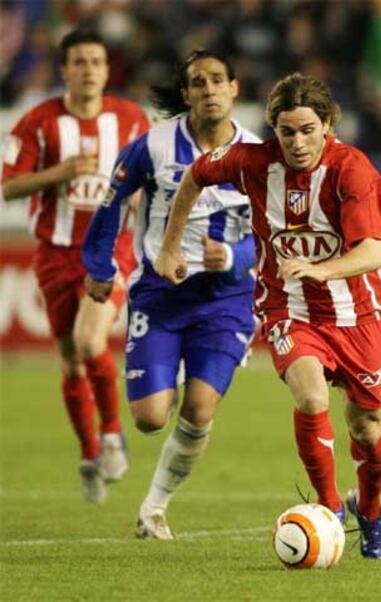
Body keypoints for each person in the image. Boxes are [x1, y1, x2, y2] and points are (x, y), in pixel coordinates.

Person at [154, 72, 381, 560]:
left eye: (308, 130)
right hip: (289, 308)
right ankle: (329, 509)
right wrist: (170, 244)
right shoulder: (252, 163)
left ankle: (370, 511)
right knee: (310, 397)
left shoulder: (353, 170)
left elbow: (372, 252)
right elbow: (197, 175)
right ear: (274, 130)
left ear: (327, 124)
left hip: (356, 313)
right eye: (287, 132)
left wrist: (320, 268)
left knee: (367, 426)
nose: (298, 142)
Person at [83, 49, 260, 539]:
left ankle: (153, 509)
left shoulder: (257, 154)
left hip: (225, 299)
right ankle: (170, 369)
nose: (209, 90)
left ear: (234, 88)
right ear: (186, 95)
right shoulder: (154, 146)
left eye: (217, 80)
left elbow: (270, 233)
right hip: (161, 295)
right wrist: (98, 266)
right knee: (149, 418)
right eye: (198, 83)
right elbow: (111, 205)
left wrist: (233, 257)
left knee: (200, 408)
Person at [1, 29, 150, 504]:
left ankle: (111, 435)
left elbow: (151, 177)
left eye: (96, 61)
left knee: (90, 340)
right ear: (64, 70)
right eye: (79, 62)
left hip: (109, 249)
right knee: (70, 358)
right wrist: (60, 173)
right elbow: (9, 186)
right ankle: (90, 454)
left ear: (108, 71)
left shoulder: (130, 121)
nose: (88, 70)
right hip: (55, 252)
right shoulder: (37, 123)